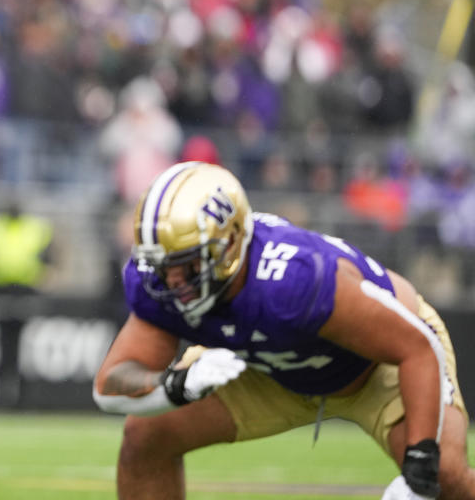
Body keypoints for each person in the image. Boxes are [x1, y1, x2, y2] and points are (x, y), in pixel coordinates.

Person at [93, 161, 475, 500]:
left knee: (444, 477)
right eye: (163, 267)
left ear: (228, 246)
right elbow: (113, 380)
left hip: (377, 364)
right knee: (146, 437)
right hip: (266, 366)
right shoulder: (159, 284)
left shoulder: (295, 280)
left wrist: (421, 464)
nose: (174, 282)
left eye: (189, 264)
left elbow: (416, 348)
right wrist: (175, 386)